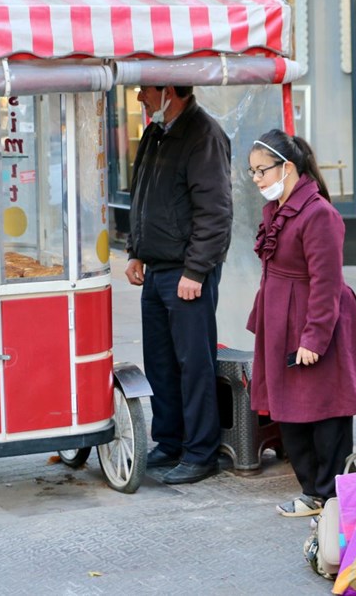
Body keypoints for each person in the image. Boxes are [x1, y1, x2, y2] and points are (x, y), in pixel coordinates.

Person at [246, 130, 356, 517]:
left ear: (287, 168)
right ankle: (312, 492)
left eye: (262, 171)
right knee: (287, 406)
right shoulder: (276, 208)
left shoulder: (319, 213)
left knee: (326, 408)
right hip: (282, 318)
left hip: (315, 319)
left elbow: (327, 282)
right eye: (252, 172)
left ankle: (329, 495)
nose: (256, 180)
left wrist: (315, 338)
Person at [126, 85, 232, 485]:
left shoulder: (203, 134)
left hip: (187, 272)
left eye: (145, 89)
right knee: (160, 362)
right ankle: (170, 440)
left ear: (171, 90)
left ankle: (201, 453)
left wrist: (196, 270)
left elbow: (216, 212)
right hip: (158, 267)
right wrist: (136, 250)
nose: (139, 97)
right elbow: (142, 196)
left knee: (194, 363)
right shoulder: (157, 132)